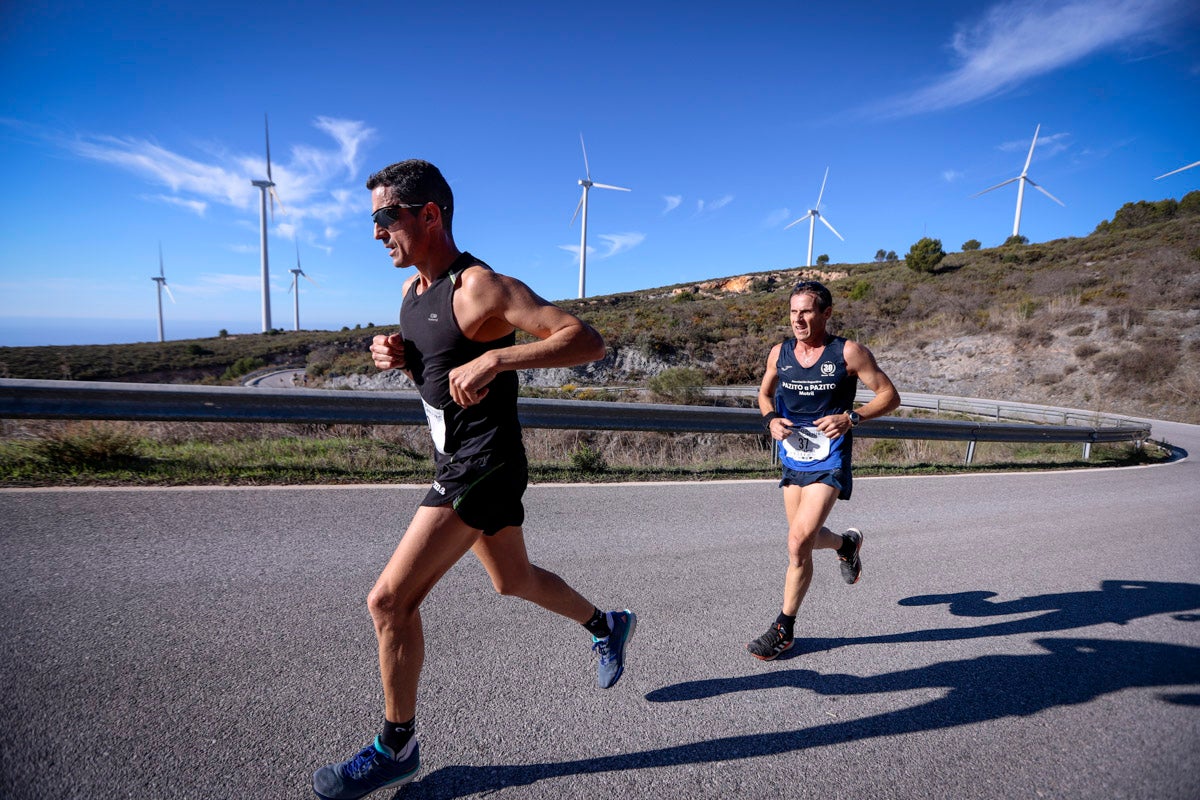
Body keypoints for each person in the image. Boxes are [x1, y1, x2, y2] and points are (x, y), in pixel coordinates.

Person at [313, 159, 636, 800]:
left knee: (389, 601)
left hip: (485, 462)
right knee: (513, 580)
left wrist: (498, 354)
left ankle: (396, 745)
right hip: (455, 456)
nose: (377, 232)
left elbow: (586, 339)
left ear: (428, 214)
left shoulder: (481, 287)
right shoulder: (411, 296)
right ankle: (607, 624)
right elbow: (439, 382)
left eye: (386, 218)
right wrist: (402, 360)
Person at [746, 280, 899, 661]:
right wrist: (770, 421)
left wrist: (853, 417)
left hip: (830, 456)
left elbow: (889, 396)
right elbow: (764, 394)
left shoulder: (847, 352)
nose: (799, 318)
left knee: (798, 542)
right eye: (794, 311)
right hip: (793, 456)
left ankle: (784, 629)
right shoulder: (779, 353)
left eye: (807, 311)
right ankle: (846, 544)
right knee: (808, 540)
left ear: (826, 314)